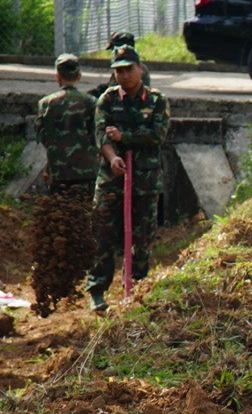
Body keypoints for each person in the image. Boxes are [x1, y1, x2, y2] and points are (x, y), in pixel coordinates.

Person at [87, 45, 171, 312]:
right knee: (102, 234)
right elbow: (101, 136)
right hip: (112, 180)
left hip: (144, 183)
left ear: (140, 68)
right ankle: (97, 291)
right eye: (118, 71)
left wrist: (126, 137)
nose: (124, 75)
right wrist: (112, 157)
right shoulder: (107, 101)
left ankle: (135, 289)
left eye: (128, 69)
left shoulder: (156, 101)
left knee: (141, 238)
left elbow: (157, 134)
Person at [32, 53, 100, 315]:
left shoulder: (46, 104)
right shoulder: (90, 103)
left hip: (59, 176)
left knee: (61, 226)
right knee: (86, 224)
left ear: (58, 76)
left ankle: (61, 276)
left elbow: (43, 137)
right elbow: (97, 137)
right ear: (79, 76)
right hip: (87, 174)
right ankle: (88, 276)